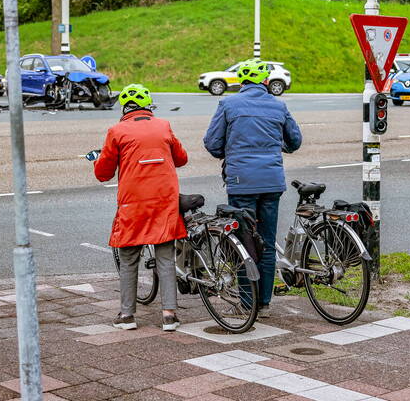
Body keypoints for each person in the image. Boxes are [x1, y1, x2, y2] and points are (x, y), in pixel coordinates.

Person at [203, 60, 302, 318]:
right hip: (271, 182)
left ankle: (247, 302)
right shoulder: (278, 105)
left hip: (241, 183)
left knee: (243, 242)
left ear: (241, 82)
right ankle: (264, 302)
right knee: (267, 243)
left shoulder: (228, 104)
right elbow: (295, 141)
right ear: (265, 82)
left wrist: (232, 149)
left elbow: (212, 144)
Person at [90, 84, 188, 331]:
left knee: (129, 257)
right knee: (165, 255)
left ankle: (127, 316)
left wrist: (98, 160)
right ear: (148, 106)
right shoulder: (163, 125)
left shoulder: (117, 131)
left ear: (124, 108)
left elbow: (103, 173)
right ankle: (169, 315)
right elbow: (181, 159)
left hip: (133, 202)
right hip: (164, 200)